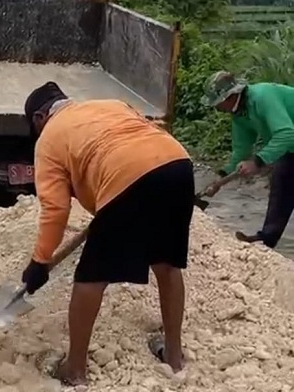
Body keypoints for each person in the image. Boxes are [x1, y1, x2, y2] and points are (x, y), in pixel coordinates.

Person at [21, 82, 194, 385]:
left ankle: (74, 370)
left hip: (124, 175)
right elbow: (149, 129)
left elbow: (55, 209)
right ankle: (174, 357)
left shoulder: (48, 138)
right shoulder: (112, 104)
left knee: (91, 276)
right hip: (176, 163)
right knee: (167, 265)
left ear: (39, 117)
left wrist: (40, 260)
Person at [201, 71, 294, 248]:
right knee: (281, 184)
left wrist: (257, 161)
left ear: (230, 96)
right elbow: (241, 150)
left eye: (217, 103)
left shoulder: (262, 97)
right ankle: (266, 240)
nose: (217, 108)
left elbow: (287, 133)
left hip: (290, 140)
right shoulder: (240, 114)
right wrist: (222, 176)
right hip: (291, 149)